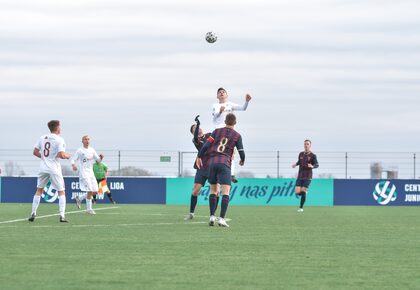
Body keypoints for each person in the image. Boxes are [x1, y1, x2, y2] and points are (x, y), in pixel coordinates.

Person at [196, 113, 245, 227]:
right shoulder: (237, 135)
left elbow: (205, 146)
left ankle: (212, 216)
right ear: (235, 123)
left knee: (213, 191)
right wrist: (242, 160)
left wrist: (199, 156)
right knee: (225, 192)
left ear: (225, 121)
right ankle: (222, 219)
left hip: (212, 163)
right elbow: (241, 151)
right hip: (224, 163)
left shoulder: (216, 131)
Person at [29, 120, 71, 223]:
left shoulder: (42, 137)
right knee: (61, 191)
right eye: (59, 127)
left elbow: (35, 152)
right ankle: (62, 216)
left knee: (39, 190)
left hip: (43, 168)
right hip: (54, 168)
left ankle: (33, 213)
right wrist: (67, 156)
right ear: (56, 128)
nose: (60, 128)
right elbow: (61, 154)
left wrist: (43, 158)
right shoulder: (59, 139)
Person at [211, 87, 251, 183]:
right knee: (216, 152)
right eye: (219, 92)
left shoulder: (230, 104)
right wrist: (220, 111)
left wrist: (246, 101)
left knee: (231, 153)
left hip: (229, 132)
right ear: (217, 96)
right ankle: (214, 171)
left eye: (223, 92)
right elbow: (214, 115)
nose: (221, 93)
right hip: (218, 132)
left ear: (226, 95)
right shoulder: (215, 105)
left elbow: (243, 108)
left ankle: (231, 174)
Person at [185, 115, 214, 220]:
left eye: (198, 127)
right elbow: (196, 136)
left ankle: (213, 215)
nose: (198, 129)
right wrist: (198, 124)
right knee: (195, 191)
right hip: (201, 168)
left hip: (212, 167)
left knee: (216, 191)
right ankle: (191, 213)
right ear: (193, 133)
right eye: (194, 129)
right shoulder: (195, 140)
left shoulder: (210, 135)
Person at [72, 135, 103, 214]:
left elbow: (98, 161)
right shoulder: (80, 150)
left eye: (88, 139)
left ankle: (80, 198)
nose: (87, 140)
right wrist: (73, 165)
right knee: (90, 190)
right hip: (84, 172)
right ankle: (89, 210)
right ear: (82, 141)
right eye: (85, 139)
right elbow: (73, 159)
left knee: (95, 191)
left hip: (91, 172)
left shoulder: (92, 150)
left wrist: (101, 158)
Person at [292, 140, 319, 212]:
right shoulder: (301, 154)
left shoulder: (313, 155)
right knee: (297, 192)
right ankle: (305, 192)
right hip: (300, 176)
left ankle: (301, 208)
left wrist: (312, 166)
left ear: (310, 145)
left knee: (303, 191)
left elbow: (317, 165)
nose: (306, 145)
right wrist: (295, 164)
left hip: (308, 176)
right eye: (305, 144)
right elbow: (299, 161)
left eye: (307, 144)